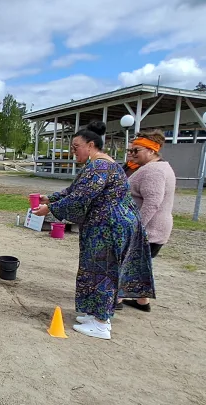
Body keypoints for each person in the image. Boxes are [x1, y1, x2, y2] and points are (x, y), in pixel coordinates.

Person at [32, 122, 154, 340]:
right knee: (94, 270)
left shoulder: (100, 167)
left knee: (104, 272)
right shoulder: (99, 165)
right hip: (104, 227)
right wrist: (50, 198)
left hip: (110, 228)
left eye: (76, 146)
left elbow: (81, 197)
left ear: (90, 145)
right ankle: (94, 314)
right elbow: (75, 191)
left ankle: (101, 324)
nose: (73, 151)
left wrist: (50, 209)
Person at [122, 130, 176, 312]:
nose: (131, 154)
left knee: (125, 263)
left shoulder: (154, 170)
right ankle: (142, 301)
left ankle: (116, 300)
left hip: (149, 230)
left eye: (136, 150)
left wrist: (136, 228)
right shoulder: (154, 168)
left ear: (152, 151)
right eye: (130, 150)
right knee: (140, 264)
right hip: (152, 229)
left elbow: (152, 202)